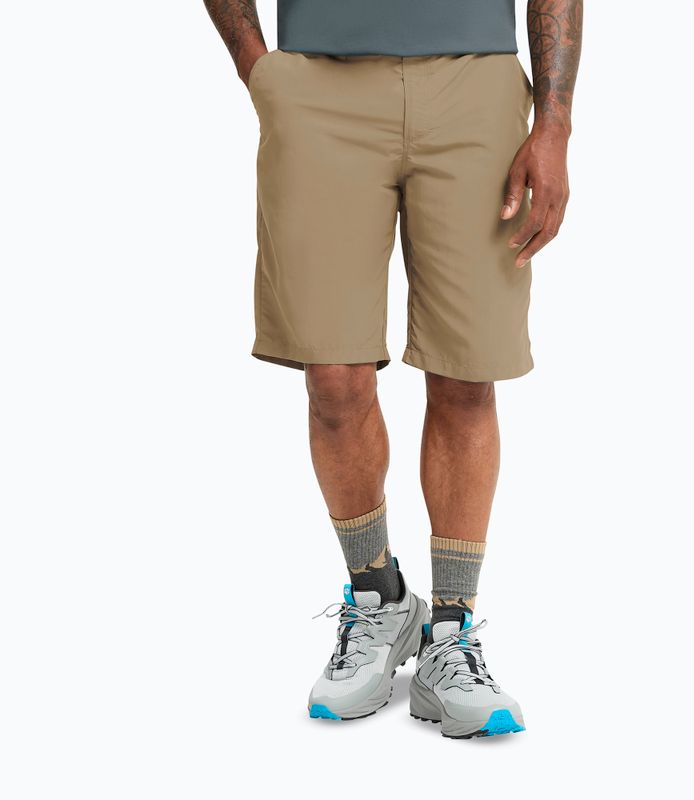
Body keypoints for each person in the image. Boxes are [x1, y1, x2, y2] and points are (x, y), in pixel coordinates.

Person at [204, 0, 582, 739]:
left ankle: (452, 633)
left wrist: (555, 123)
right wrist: (262, 73)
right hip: (318, 83)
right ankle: (379, 597)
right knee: (333, 378)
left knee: (467, 371)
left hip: (475, 83)